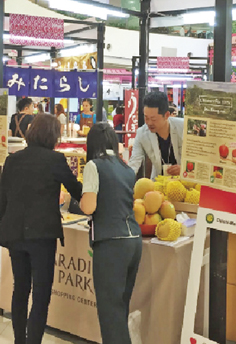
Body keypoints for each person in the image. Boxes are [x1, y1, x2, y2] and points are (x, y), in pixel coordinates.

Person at [0, 113, 82, 344]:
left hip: (15, 232)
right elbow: (76, 191)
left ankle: (19, 341)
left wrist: (8, 222)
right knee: (41, 294)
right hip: (42, 235)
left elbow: (2, 200)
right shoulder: (55, 160)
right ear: (53, 136)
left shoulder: (12, 160)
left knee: (20, 288)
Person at [80, 123, 142, 344]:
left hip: (111, 243)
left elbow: (89, 207)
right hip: (134, 241)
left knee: (109, 312)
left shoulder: (94, 166)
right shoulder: (126, 169)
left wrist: (81, 199)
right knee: (120, 307)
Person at [128, 92, 184, 179]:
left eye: (153, 119)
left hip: (185, 182)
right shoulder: (142, 133)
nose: (149, 123)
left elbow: (199, 159)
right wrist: (125, 179)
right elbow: (134, 162)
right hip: (158, 183)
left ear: (166, 115)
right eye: (146, 118)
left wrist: (184, 169)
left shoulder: (183, 127)